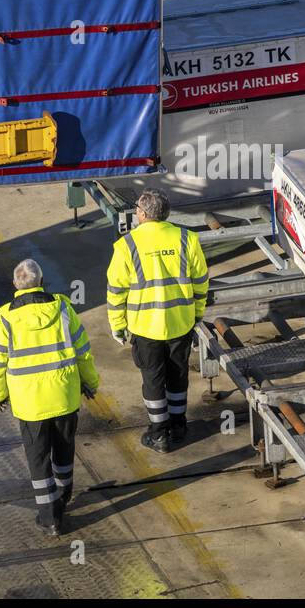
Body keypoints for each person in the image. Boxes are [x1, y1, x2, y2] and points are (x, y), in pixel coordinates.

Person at [0, 259, 100, 536]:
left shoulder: (4, 320)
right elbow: (83, 351)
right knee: (64, 449)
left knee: (38, 459)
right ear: (42, 281)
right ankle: (64, 494)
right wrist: (90, 382)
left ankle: (50, 518)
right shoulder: (63, 310)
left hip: (30, 405)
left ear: (16, 285)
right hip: (64, 396)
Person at [106, 189, 208, 454]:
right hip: (180, 322)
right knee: (178, 376)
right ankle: (178, 425)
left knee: (153, 379)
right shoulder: (187, 239)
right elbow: (200, 280)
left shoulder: (127, 245)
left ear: (142, 214)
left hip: (145, 326)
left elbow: (117, 290)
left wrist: (117, 324)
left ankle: (159, 433)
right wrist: (197, 313)